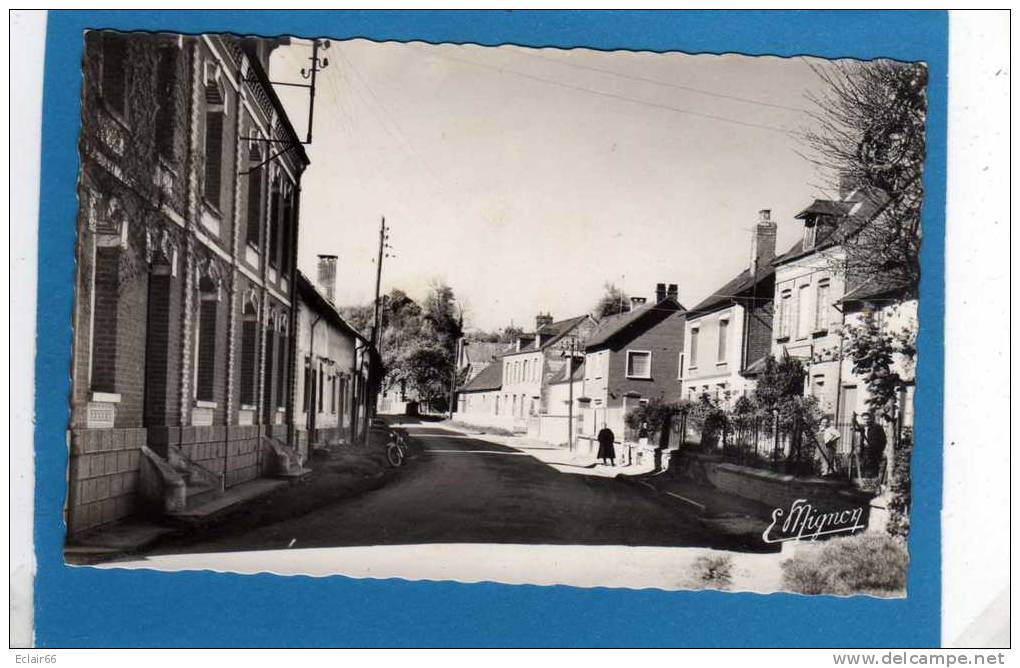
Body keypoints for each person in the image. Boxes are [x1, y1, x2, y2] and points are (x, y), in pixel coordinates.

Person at [854, 412, 887, 479]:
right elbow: (856, 428)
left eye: (867, 419)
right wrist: (854, 420)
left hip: (874, 450)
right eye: (864, 419)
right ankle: (866, 479)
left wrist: (879, 449)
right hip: (864, 449)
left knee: (872, 465)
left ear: (871, 419)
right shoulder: (863, 428)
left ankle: (872, 480)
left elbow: (883, 440)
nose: (865, 421)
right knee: (864, 464)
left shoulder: (877, 427)